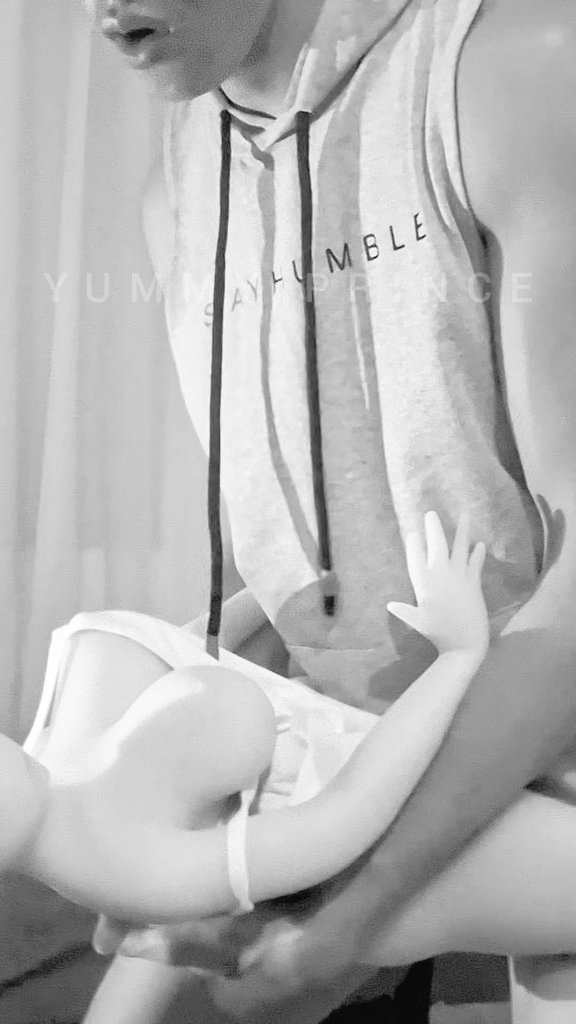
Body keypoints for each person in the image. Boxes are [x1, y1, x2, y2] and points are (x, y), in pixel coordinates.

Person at [73, 0, 576, 1022]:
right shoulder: (178, 193)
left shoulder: (508, 72)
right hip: (362, 764)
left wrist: (357, 906)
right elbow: (302, 547)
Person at [12, 515, 487, 931]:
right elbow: (346, 812)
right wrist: (459, 654)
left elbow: (189, 650)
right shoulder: (140, 873)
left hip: (369, 640)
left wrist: (283, 575)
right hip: (427, 787)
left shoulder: (50, 748)